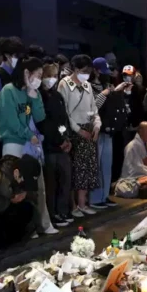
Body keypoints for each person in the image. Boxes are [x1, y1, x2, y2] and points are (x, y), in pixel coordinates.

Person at [0, 56, 58, 235]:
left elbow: (39, 117)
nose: (39, 79)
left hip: (32, 145)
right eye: (37, 75)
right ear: (26, 72)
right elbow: (11, 121)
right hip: (14, 144)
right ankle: (27, 229)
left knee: (38, 186)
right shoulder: (9, 91)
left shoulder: (32, 92)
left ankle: (44, 224)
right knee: (19, 188)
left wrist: (34, 96)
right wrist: (29, 135)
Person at [57, 54, 101, 217]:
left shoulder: (88, 86)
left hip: (88, 130)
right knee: (75, 170)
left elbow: (93, 109)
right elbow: (65, 112)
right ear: (75, 69)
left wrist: (96, 125)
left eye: (88, 71)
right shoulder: (64, 84)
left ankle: (83, 203)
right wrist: (77, 130)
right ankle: (73, 205)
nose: (86, 74)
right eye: (84, 71)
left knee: (87, 169)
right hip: (74, 132)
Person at [39, 59, 74, 227]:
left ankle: (63, 211)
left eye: (55, 75)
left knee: (65, 180)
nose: (52, 79)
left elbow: (62, 121)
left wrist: (66, 138)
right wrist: (56, 141)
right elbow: (44, 124)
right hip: (48, 147)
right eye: (49, 75)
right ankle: (52, 214)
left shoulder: (57, 95)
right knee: (51, 183)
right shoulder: (40, 95)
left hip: (61, 145)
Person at [89, 57, 126, 209]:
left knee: (106, 165)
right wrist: (105, 93)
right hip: (97, 129)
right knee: (97, 165)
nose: (105, 74)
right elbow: (93, 106)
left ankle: (104, 196)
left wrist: (115, 91)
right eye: (102, 71)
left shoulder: (107, 84)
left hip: (109, 128)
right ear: (95, 71)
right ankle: (95, 198)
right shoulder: (89, 86)